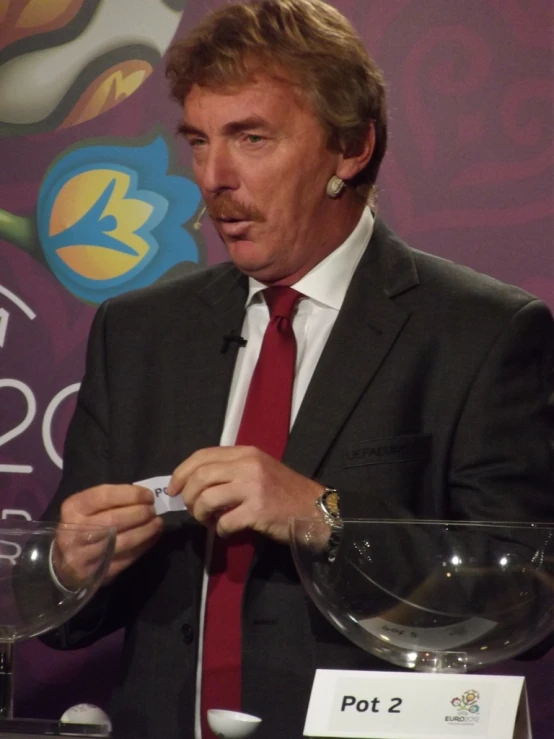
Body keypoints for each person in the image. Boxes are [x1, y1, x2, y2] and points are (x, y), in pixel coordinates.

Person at [39, 1, 554, 738]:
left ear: (349, 148)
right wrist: (71, 565)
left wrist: (325, 517)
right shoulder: (138, 331)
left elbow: (522, 598)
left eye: (251, 138)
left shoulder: (480, 332)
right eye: (198, 140)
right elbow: (69, 619)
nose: (213, 177)